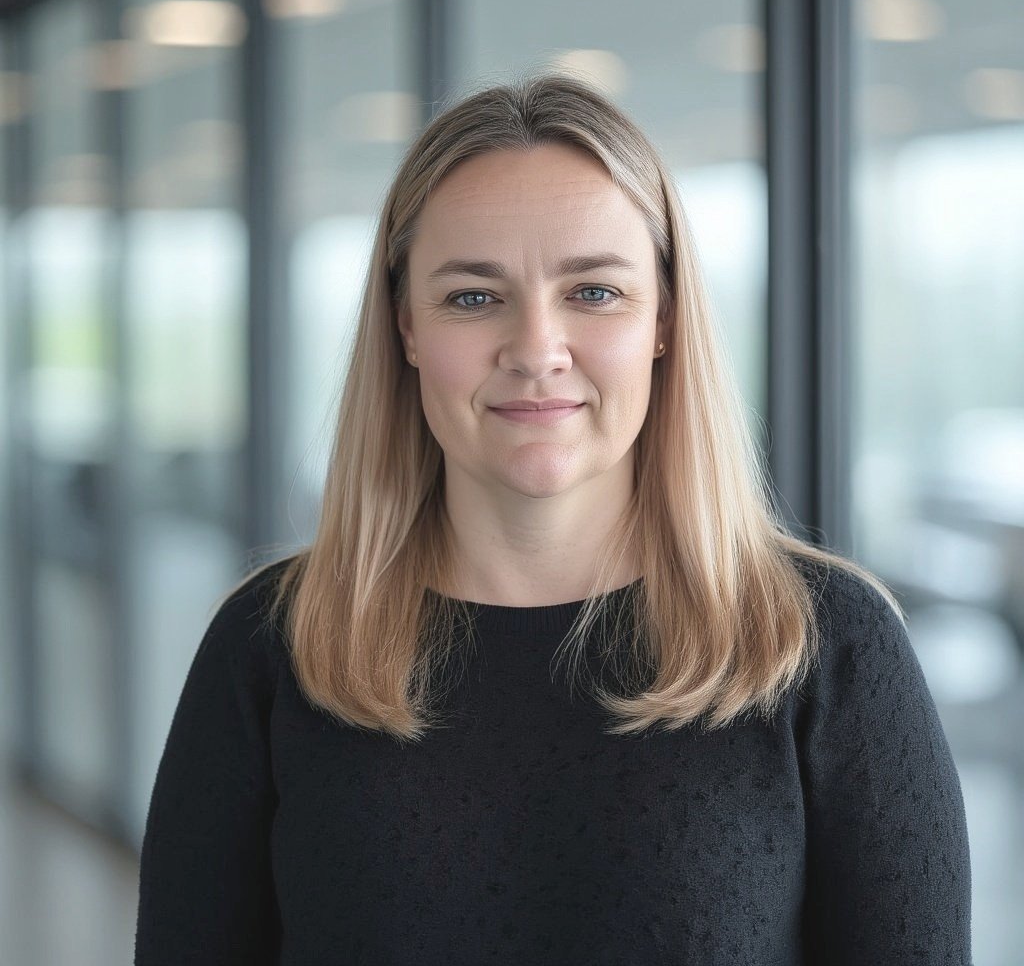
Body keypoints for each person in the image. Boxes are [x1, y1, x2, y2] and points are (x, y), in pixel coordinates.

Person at [134, 72, 973, 965]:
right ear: (406, 328)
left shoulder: (824, 647)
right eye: (472, 296)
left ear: (664, 318)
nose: (536, 351)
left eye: (595, 292)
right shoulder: (273, 645)